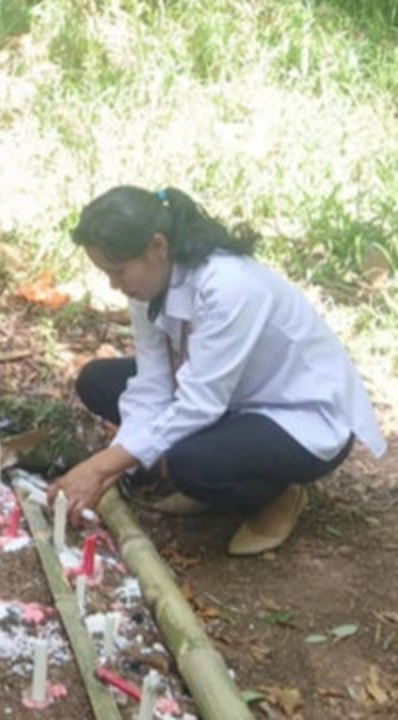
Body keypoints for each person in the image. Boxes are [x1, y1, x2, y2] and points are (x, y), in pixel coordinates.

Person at [49, 186, 386, 555]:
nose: (115, 285)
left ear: (157, 247)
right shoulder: (148, 286)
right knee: (98, 381)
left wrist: (101, 467)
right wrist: (110, 469)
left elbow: (199, 404)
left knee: (189, 463)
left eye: (118, 271)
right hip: (230, 395)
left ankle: (277, 496)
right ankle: (217, 473)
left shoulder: (229, 286)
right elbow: (152, 386)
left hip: (299, 414)